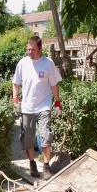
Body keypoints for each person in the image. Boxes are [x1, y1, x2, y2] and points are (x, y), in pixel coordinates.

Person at [13, 35, 62, 180]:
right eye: (28, 49)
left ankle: (46, 166)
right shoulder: (22, 63)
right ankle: (32, 163)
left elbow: (54, 84)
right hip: (27, 108)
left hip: (43, 106)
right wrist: (15, 99)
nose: (30, 52)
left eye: (33, 49)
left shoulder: (48, 63)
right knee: (27, 139)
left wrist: (58, 103)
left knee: (46, 135)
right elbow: (15, 83)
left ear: (40, 49)